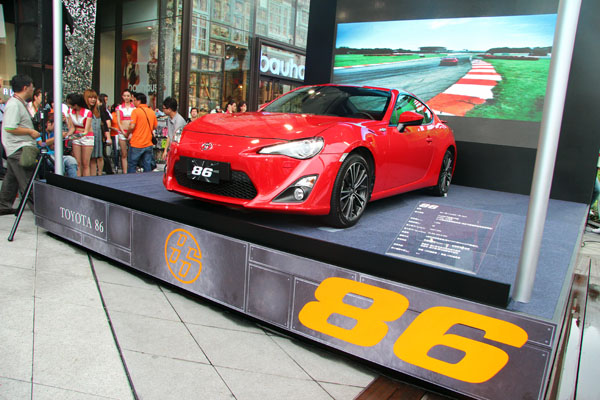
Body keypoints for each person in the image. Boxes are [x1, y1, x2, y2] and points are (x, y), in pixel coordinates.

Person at [0, 74, 41, 215]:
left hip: (15, 147)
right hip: (19, 147)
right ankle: (41, 211)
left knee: (11, 179)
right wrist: (30, 131)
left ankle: (4, 205)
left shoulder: (17, 103)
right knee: (28, 180)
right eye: (31, 86)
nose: (33, 89)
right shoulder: (14, 104)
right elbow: (10, 127)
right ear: (25, 87)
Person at [37, 113, 78, 178]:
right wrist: (58, 137)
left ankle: (73, 181)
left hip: (56, 155)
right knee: (60, 163)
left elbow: (52, 148)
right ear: (49, 123)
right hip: (46, 157)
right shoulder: (39, 133)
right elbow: (42, 144)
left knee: (71, 160)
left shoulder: (53, 133)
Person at [127, 92, 157, 173]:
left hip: (136, 143)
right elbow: (155, 126)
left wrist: (127, 133)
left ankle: (130, 180)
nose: (133, 102)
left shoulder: (135, 111)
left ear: (138, 101)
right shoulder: (151, 112)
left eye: (134, 100)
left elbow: (132, 126)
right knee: (147, 165)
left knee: (132, 164)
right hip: (148, 143)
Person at [84, 89, 111, 176]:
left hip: (98, 136)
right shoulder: (84, 110)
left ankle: (97, 175)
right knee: (88, 160)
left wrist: (108, 137)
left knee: (97, 157)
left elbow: (105, 125)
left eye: (94, 98)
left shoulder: (99, 110)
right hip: (87, 137)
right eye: (90, 97)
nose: (93, 99)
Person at [66, 93, 93, 176]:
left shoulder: (87, 112)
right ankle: (78, 179)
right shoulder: (70, 111)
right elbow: (72, 128)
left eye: (69, 103)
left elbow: (86, 131)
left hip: (87, 137)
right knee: (77, 162)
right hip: (76, 136)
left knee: (85, 163)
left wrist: (73, 136)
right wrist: (67, 136)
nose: (68, 105)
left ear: (76, 105)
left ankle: (86, 181)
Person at [116, 89, 135, 173]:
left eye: (128, 96)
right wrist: (123, 132)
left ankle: (131, 171)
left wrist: (131, 132)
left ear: (131, 97)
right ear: (122, 97)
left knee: (132, 153)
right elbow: (118, 121)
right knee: (124, 153)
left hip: (131, 132)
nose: (126, 97)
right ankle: (124, 172)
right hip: (122, 131)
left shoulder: (134, 108)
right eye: (125, 96)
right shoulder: (119, 107)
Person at [161, 97, 186, 161]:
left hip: (179, 151)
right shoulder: (169, 118)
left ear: (169, 109)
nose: (163, 110)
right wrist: (165, 150)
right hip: (172, 149)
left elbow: (176, 140)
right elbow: (169, 136)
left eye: (164, 108)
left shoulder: (179, 121)